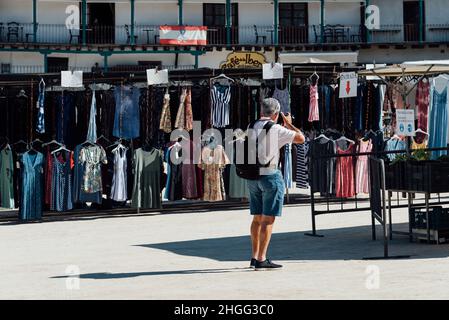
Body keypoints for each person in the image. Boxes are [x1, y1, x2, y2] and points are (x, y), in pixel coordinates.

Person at [248, 98, 305, 271]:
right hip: (270, 176)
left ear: (261, 112)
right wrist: (288, 123)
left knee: (257, 218)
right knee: (268, 219)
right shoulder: (277, 128)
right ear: (276, 114)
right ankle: (261, 258)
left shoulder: (252, 126)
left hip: (253, 176)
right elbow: (301, 138)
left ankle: (253, 256)